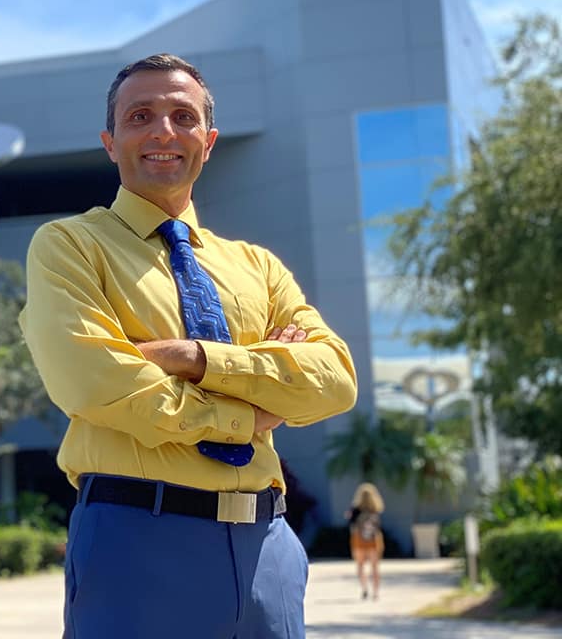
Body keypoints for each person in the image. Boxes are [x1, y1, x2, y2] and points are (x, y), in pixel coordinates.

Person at [19, 53, 358, 638]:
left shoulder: (260, 266)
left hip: (266, 548)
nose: (163, 132)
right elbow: (92, 381)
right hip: (137, 542)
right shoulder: (70, 247)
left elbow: (334, 379)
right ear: (110, 140)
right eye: (140, 115)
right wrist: (253, 409)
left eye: (183, 116)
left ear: (209, 139)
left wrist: (193, 358)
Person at [347, 482, 385, 600]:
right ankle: (376, 592)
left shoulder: (355, 509)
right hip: (373, 539)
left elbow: (351, 524)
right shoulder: (375, 509)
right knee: (375, 567)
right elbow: (378, 526)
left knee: (360, 566)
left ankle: (364, 589)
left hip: (359, 540)